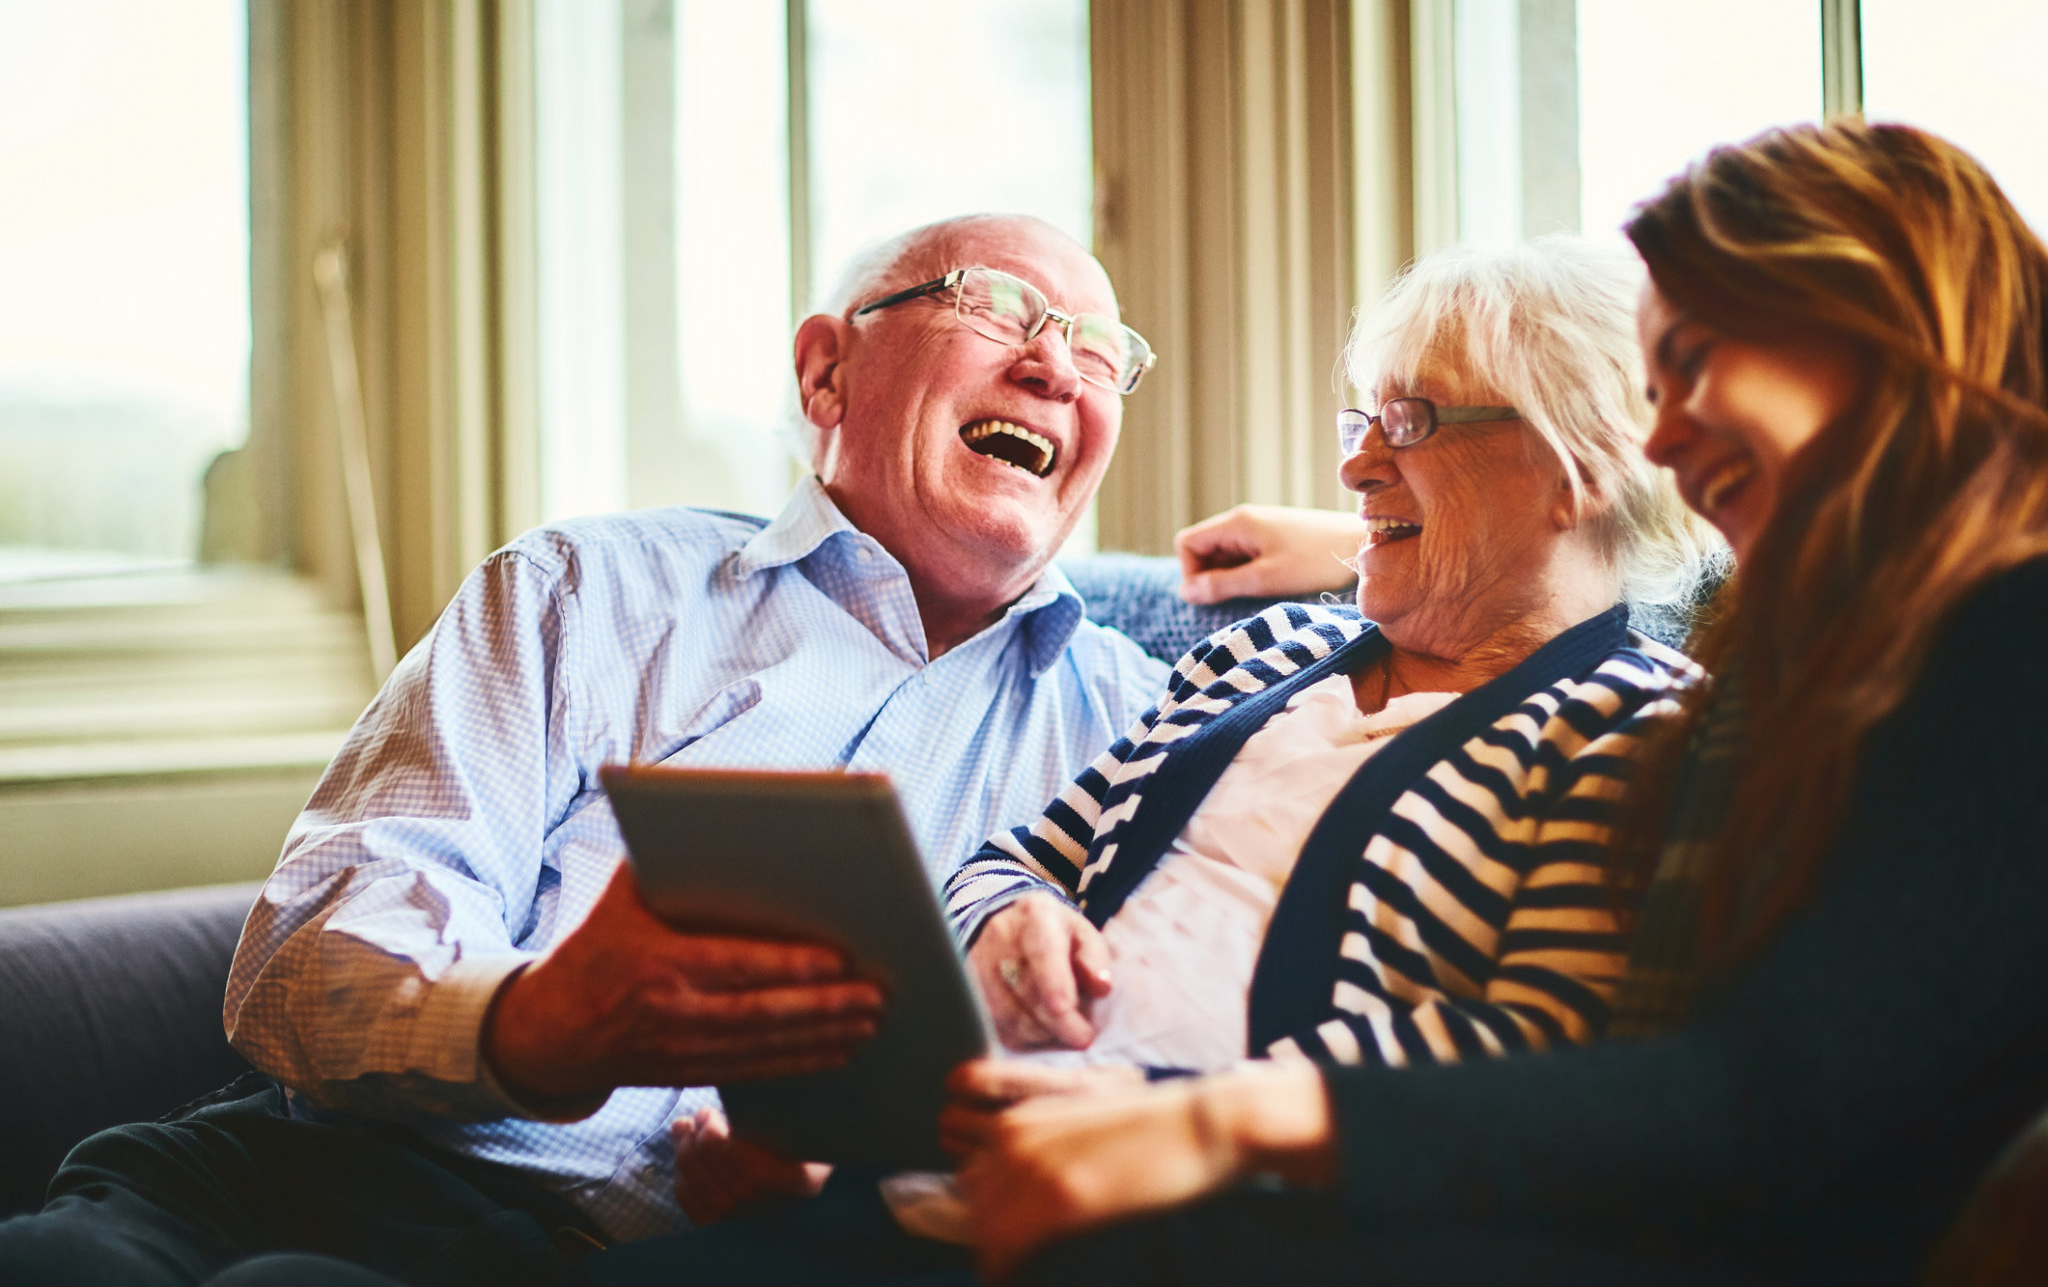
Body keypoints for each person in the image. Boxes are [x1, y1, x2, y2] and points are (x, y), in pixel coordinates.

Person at [955, 120, 2048, 1286]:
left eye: (1695, 362)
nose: (1664, 437)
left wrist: (1223, 1119)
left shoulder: (1988, 640)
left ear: (1864, 323)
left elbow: (1763, 1102)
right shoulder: (1827, 653)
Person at [0, 214, 1175, 1285]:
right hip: (300, 1171)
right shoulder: (587, 589)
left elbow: (1140, 1087)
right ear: (827, 370)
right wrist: (538, 1017)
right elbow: (303, 955)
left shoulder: (1145, 728)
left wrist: (860, 1192)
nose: (1054, 366)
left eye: (1099, 347)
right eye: (996, 308)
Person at [592, 235, 1712, 1284]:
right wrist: (1011, 923)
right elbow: (1013, 861)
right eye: (1358, 424)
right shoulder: (1266, 654)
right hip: (918, 1201)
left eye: (1410, 423)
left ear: (1583, 468)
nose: (1359, 466)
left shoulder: (1634, 728)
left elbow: (1530, 1055)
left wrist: (1172, 1112)